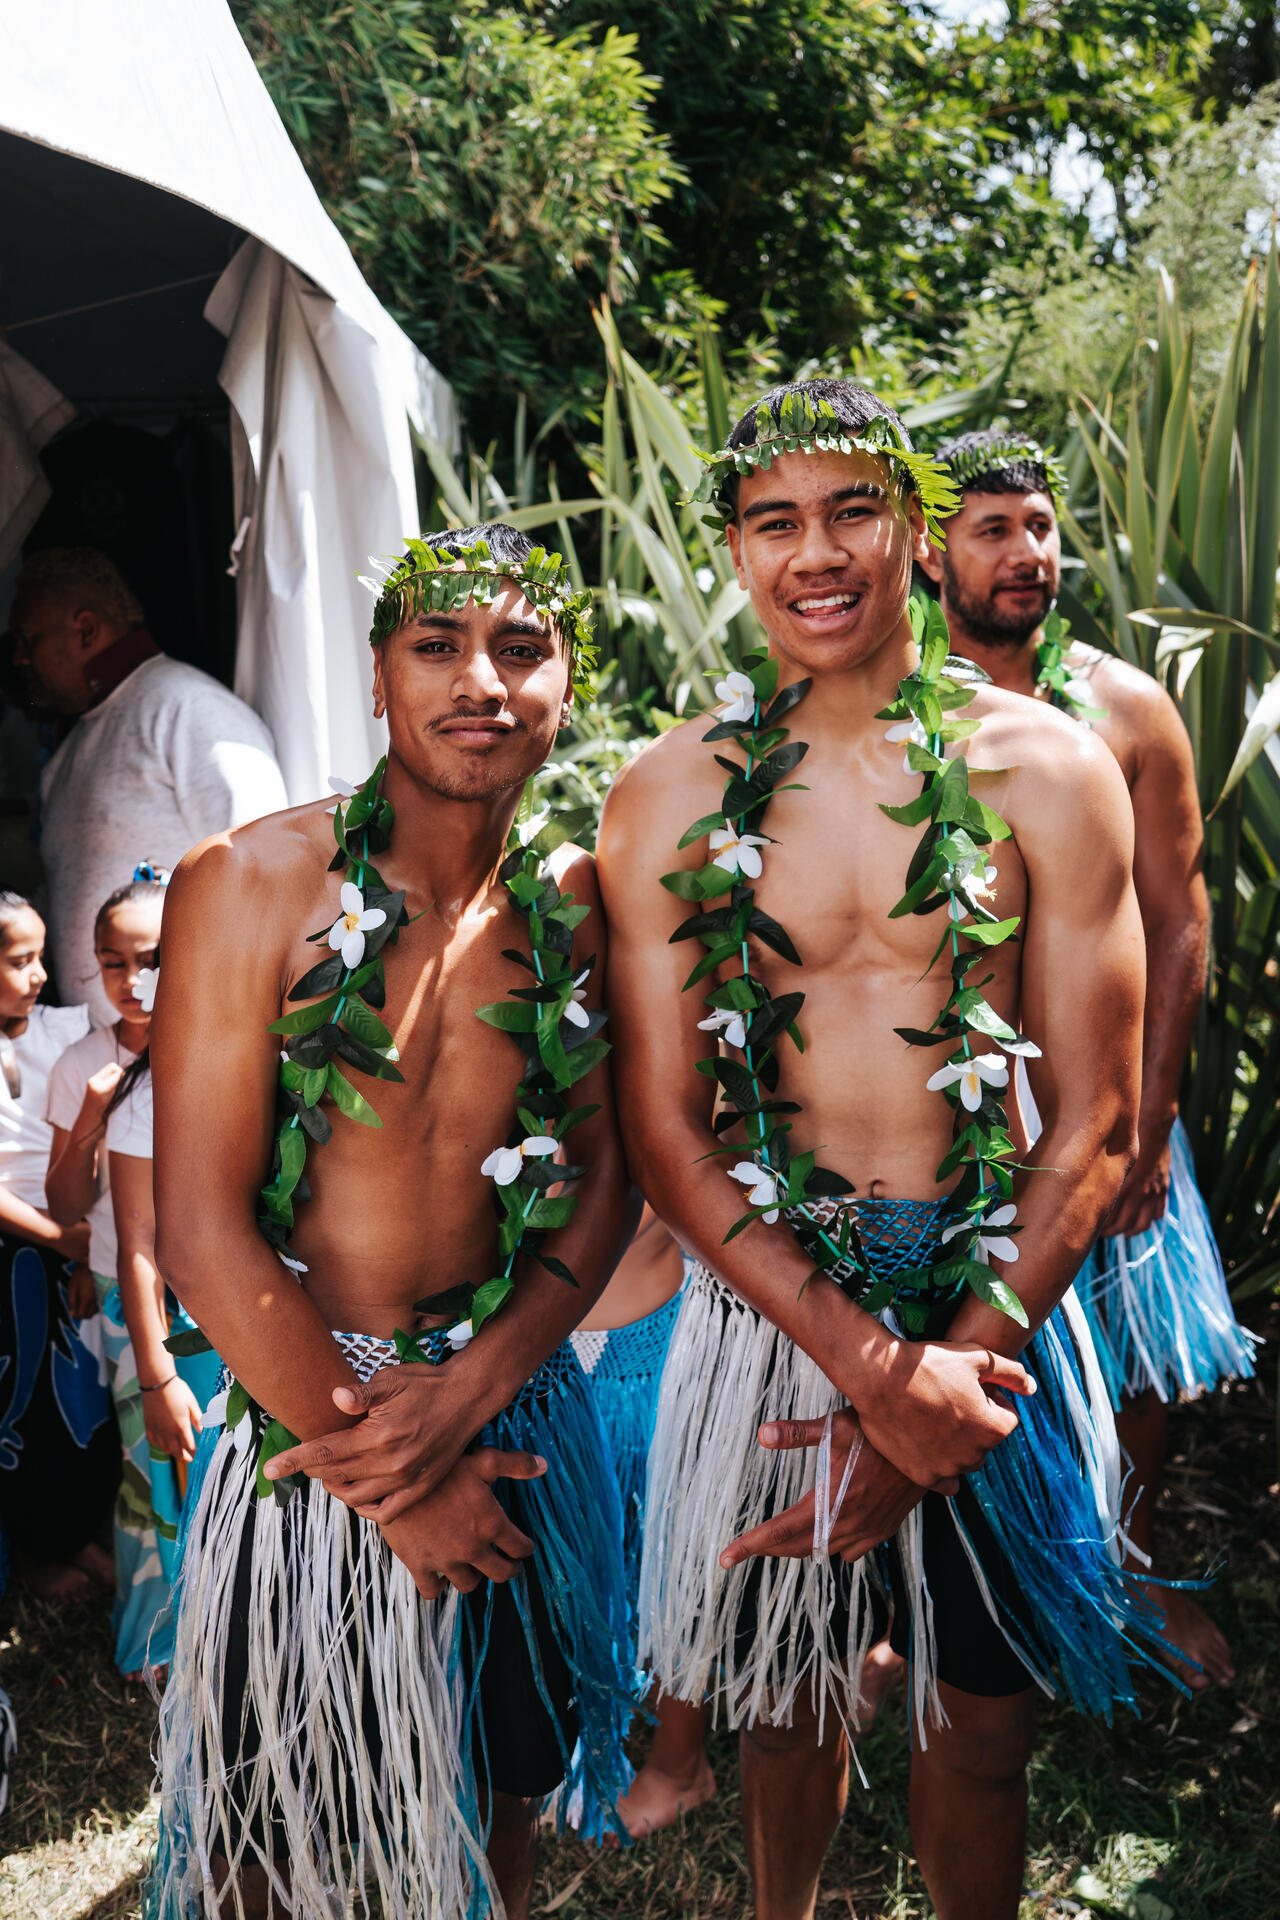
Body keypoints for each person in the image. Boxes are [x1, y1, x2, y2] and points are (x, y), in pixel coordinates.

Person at [597, 378, 1174, 1920]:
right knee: (786, 1697)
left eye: (855, 508)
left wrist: (952, 1372)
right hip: (775, 1304)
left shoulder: (1045, 768)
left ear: (915, 531)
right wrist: (871, 1373)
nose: (818, 552)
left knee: (981, 1722)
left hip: (995, 1299)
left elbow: (1098, 1123)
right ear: (732, 550)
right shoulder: (670, 790)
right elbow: (665, 1131)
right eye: (775, 520)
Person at [145, 525, 638, 1919]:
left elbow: (606, 1179)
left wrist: (473, 1393)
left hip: (514, 1411)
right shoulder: (246, 883)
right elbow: (200, 1225)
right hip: (304, 1415)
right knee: (274, 1839)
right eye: (438, 647)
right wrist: (398, 1472)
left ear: (562, 687)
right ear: (379, 677)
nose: (481, 681)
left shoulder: (576, 906)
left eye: (521, 650)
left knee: (496, 1810)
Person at [921, 426, 1252, 1689]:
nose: (1024, 553)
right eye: (991, 529)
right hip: (938, 1117)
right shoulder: (890, 710)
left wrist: (1145, 1124)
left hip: (1101, 1092)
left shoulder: (1121, 707)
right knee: (943, 1340)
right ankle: (919, 1587)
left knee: (1134, 1343)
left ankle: (1133, 1565)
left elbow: (1176, 920)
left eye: (1039, 527)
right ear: (926, 549)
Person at [45, 871, 221, 1680]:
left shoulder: (221, 1051)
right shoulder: (83, 1062)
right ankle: (157, 1642)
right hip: (130, 1296)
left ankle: (225, 1625)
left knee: (219, 1462)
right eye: (112, 963)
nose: (133, 981)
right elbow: (68, 1200)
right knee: (150, 1469)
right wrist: (90, 1115)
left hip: (218, 1295)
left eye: (151, 958)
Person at [8, 547, 287, 1023]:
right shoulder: (69, 752)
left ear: (85, 630)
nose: (17, 659)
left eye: (27, 639)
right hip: (99, 1064)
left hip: (186, 1055)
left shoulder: (189, 710)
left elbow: (265, 877)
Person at [568, 1205, 715, 1838]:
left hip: (651, 1333)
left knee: (675, 1550)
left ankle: (681, 1762)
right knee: (559, 1549)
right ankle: (571, 1726)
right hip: (513, 1346)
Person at [0, 891, 118, 1599]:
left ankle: (80, 1536)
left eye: (40, 955)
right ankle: (43, 1553)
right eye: (19, 961)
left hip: (75, 1237)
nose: (40, 973)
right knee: (22, 1406)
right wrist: (62, 1243)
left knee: (83, 1398)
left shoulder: (67, 1034)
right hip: (16, 1252)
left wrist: (82, 1250)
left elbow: (90, 1140)